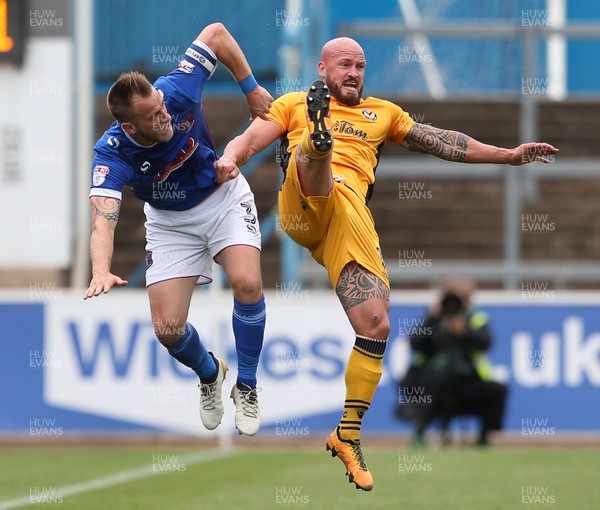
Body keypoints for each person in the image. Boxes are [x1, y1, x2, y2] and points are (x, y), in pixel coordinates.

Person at [215, 37, 557, 490]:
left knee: (376, 324)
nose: (353, 72)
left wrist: (508, 155)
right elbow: (250, 138)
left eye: (359, 65)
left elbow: (442, 142)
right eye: (343, 65)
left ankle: (347, 436)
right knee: (314, 155)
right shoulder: (292, 103)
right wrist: (229, 160)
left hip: (347, 221)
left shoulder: (384, 114)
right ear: (322, 69)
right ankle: (318, 144)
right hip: (301, 207)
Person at [83, 22, 274, 437]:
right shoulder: (112, 153)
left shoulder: (177, 88)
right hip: (170, 223)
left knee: (247, 283)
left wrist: (251, 88)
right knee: (168, 330)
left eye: (162, 105)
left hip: (220, 196)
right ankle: (210, 374)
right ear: (130, 127)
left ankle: (247, 385)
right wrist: (101, 269)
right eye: (153, 116)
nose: (165, 114)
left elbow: (217, 33)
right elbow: (104, 216)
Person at [398, 279, 507, 448]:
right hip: (432, 383)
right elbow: (415, 343)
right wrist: (433, 320)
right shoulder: (433, 318)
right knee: (436, 381)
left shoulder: (475, 318)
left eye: (463, 297)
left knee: (496, 390)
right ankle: (419, 433)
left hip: (465, 383)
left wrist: (465, 332)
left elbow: (486, 342)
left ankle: (484, 437)